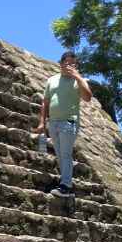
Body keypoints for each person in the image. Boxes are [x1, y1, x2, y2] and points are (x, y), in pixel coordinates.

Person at [38, 51, 92, 197]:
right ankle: (64, 183)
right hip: (53, 122)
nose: (69, 66)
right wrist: (42, 122)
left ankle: (66, 186)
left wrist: (77, 77)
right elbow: (45, 102)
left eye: (73, 64)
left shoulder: (79, 81)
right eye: (67, 63)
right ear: (61, 64)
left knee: (66, 154)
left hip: (69, 122)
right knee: (60, 154)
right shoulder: (52, 80)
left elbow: (88, 97)